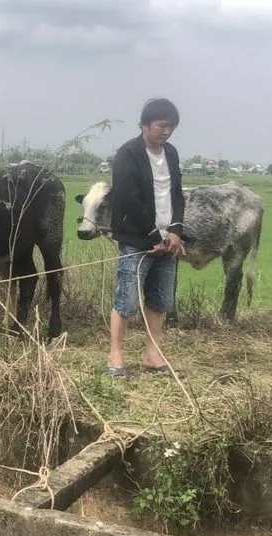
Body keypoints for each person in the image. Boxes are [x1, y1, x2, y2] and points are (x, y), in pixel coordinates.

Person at [106, 98, 185, 378]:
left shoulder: (171, 154)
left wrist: (175, 230)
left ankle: (152, 354)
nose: (166, 132)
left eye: (171, 127)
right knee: (126, 301)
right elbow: (128, 199)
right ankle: (116, 357)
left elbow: (176, 193)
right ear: (144, 125)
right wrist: (153, 236)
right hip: (137, 239)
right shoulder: (127, 154)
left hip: (168, 240)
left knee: (160, 300)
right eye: (161, 126)